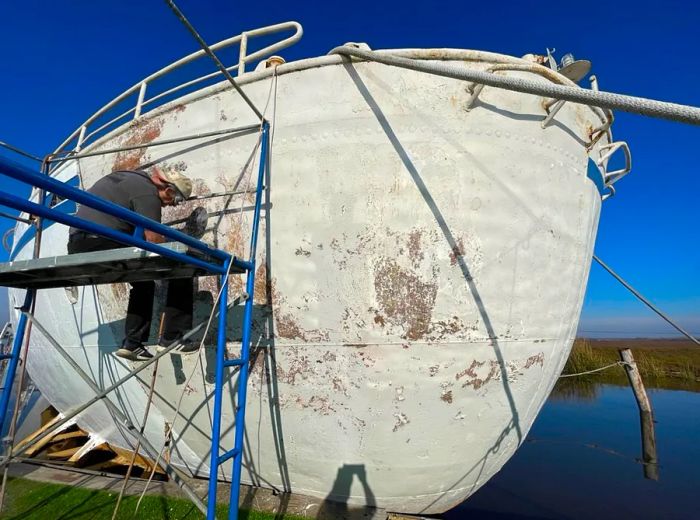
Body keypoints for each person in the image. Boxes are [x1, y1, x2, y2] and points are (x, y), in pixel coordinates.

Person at [67, 167, 197, 361]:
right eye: (176, 200)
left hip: (78, 244)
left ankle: (132, 344)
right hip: (103, 241)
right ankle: (172, 338)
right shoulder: (148, 192)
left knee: (143, 282)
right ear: (169, 190)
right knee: (184, 267)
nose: (171, 206)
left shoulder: (127, 178)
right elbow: (153, 240)